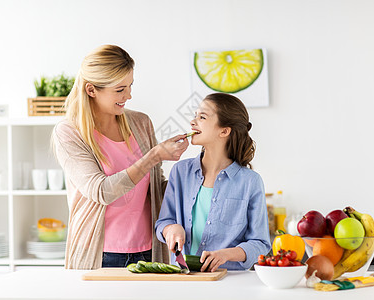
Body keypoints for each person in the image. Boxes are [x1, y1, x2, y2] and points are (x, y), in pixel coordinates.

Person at [52, 45, 189, 269]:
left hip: (148, 249)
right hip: (99, 254)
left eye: (130, 86)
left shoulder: (140, 123)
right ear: (91, 90)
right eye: (120, 89)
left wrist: (198, 172)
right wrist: (154, 156)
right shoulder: (69, 132)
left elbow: (154, 187)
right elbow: (101, 191)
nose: (129, 95)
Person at [155, 93, 271, 272]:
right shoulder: (180, 172)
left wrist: (226, 254)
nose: (193, 122)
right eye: (195, 116)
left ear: (224, 131)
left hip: (229, 278)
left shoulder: (250, 182)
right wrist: (171, 229)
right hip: (183, 276)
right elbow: (163, 222)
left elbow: (260, 244)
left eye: (202, 117)